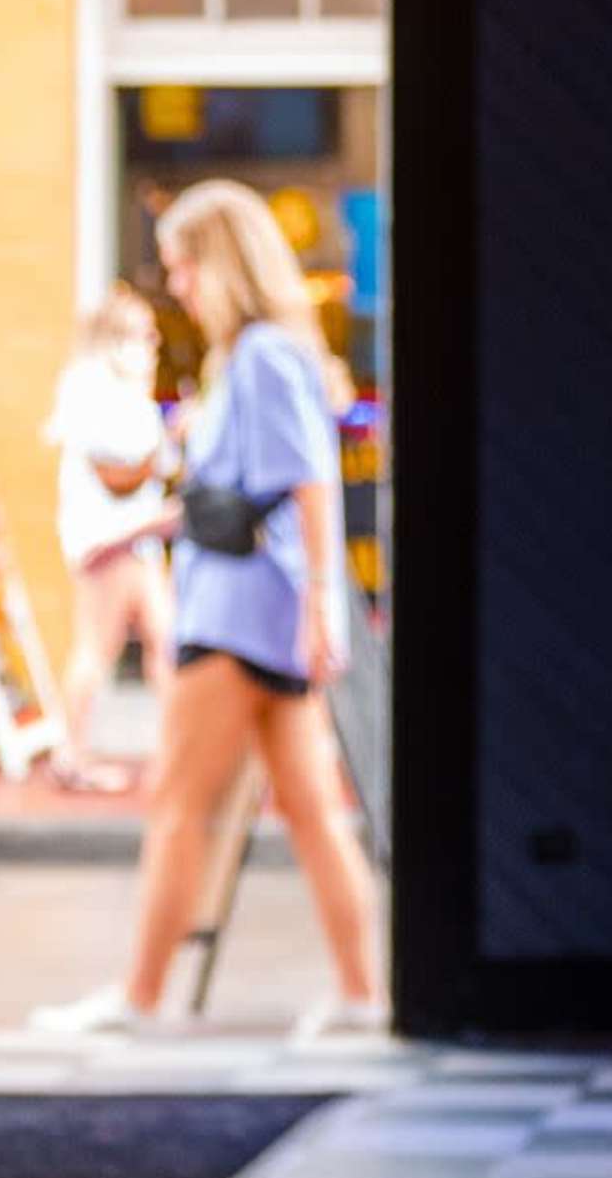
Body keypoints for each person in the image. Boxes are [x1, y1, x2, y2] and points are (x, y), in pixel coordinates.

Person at [33, 180, 387, 1040]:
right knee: (311, 810)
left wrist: (320, 613)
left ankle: (141, 999)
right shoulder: (270, 354)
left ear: (220, 265)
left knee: (180, 805)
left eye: (184, 267)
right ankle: (361, 992)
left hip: (234, 618)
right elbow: (266, 490)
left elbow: (306, 483)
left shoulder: (261, 357)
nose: (177, 285)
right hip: (264, 616)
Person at [40, 287, 179, 793]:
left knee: (165, 644)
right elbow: (122, 473)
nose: (152, 343)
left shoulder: (116, 394)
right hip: (114, 542)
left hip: (134, 541)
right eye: (144, 333)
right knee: (99, 648)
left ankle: (175, 750)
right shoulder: (96, 395)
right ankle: (71, 753)